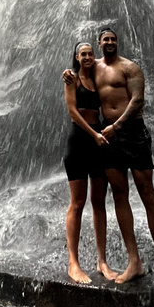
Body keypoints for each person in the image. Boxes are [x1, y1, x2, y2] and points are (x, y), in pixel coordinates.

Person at [64, 29, 154, 288]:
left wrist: (118, 126)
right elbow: (76, 79)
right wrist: (68, 73)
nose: (109, 42)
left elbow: (138, 101)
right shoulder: (93, 68)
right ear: (100, 44)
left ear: (117, 42)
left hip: (131, 132)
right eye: (105, 40)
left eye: (113, 39)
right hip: (107, 136)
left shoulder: (130, 68)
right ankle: (133, 261)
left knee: (148, 195)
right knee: (119, 195)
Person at [63, 42, 119, 284]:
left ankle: (102, 261)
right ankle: (73, 263)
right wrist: (93, 134)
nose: (87, 57)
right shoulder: (71, 79)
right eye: (82, 54)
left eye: (90, 54)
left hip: (98, 142)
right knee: (77, 203)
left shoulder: (98, 77)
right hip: (79, 141)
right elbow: (72, 111)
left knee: (99, 202)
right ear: (76, 57)